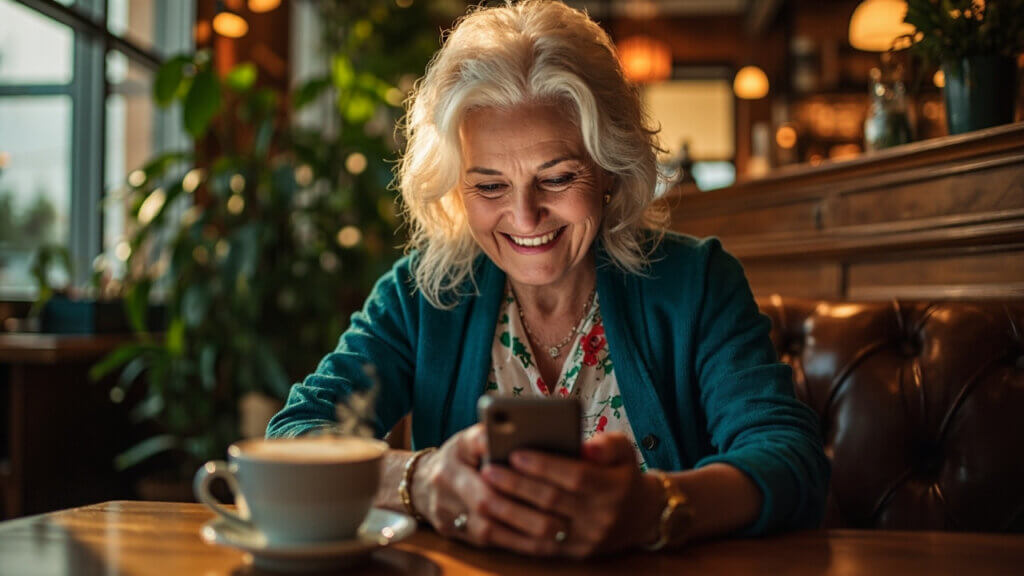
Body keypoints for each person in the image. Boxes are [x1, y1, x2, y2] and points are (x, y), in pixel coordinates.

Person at [267, 0, 828, 557]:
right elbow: (292, 438)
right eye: (489, 186)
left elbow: (789, 457)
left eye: (557, 177)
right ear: (457, 188)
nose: (526, 216)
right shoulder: (422, 293)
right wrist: (417, 479)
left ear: (610, 167)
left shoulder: (697, 282)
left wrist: (655, 505)